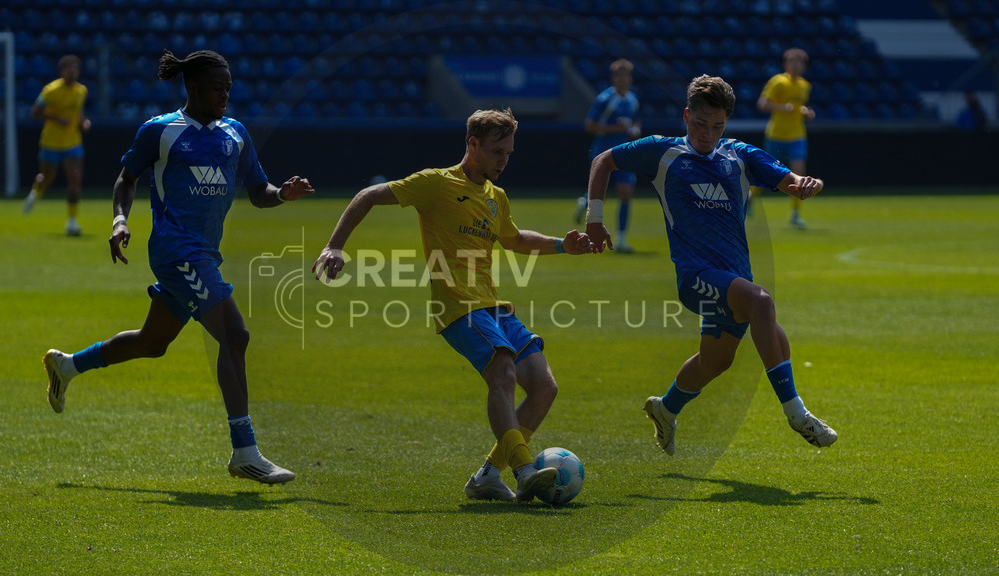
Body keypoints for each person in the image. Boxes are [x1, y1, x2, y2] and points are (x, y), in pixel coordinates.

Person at [42, 49, 315, 485]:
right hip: (175, 250)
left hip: (203, 253)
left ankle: (68, 366)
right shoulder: (161, 131)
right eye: (216, 87)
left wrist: (283, 192)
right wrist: (118, 220)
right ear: (191, 88)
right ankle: (245, 451)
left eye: (228, 87)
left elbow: (258, 189)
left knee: (153, 342)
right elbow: (127, 178)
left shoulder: (235, 133)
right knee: (235, 334)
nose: (225, 94)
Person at [312, 108, 594, 503]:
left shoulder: (497, 196)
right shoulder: (435, 183)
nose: (503, 161)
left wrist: (564, 244)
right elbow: (368, 195)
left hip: (494, 306)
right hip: (458, 306)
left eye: (509, 153)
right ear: (472, 144)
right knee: (503, 372)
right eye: (497, 151)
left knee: (545, 387)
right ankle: (525, 470)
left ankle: (487, 476)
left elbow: (513, 240)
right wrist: (335, 244)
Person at [584, 75, 837, 456]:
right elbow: (604, 160)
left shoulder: (738, 155)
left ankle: (665, 409)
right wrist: (594, 219)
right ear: (686, 116)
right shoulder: (662, 152)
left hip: (733, 278)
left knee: (717, 361)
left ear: (726, 124)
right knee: (763, 304)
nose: (707, 134)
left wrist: (803, 183)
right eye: (700, 124)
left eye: (717, 126)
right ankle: (797, 414)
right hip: (695, 277)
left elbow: (786, 178)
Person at [575, 58, 641, 252]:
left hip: (624, 153)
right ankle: (585, 201)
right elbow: (590, 125)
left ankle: (621, 239)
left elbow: (636, 121)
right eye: (619, 75)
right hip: (603, 152)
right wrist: (615, 128)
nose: (623, 79)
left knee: (626, 192)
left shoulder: (632, 100)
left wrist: (635, 130)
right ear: (613, 78)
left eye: (626, 75)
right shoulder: (605, 99)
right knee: (599, 194)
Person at [22, 54, 92, 236]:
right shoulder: (51, 90)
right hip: (51, 142)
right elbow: (35, 112)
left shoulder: (81, 90)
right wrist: (55, 118)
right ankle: (35, 192)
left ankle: (72, 222)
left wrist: (83, 122)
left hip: (72, 143)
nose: (72, 71)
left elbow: (79, 112)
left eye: (75, 68)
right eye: (69, 68)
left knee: (75, 181)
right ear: (62, 71)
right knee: (47, 177)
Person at [755, 47, 815, 230]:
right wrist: (782, 108)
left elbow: (799, 107)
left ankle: (796, 214)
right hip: (776, 135)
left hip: (797, 135)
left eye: (800, 62)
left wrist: (805, 112)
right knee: (764, 174)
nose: (796, 65)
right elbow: (762, 104)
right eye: (793, 61)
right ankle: (748, 198)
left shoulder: (805, 86)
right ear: (786, 64)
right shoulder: (778, 82)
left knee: (800, 174)